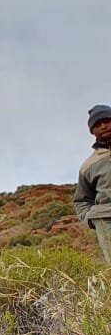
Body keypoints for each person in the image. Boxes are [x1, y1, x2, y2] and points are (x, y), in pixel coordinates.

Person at [73, 104, 111, 261]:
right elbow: (81, 200)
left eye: (107, 121)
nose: (103, 126)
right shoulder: (89, 165)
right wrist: (91, 218)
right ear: (92, 131)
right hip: (106, 219)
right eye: (97, 125)